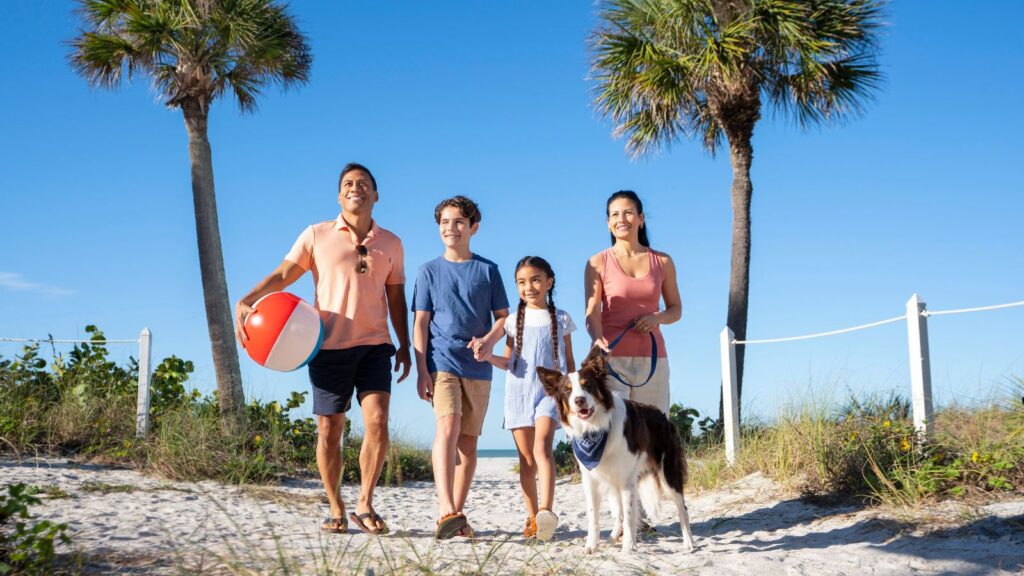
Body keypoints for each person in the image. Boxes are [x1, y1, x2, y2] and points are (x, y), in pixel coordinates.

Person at [234, 163, 410, 535]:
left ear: (375, 195)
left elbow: (396, 297)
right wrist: (248, 298)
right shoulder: (316, 234)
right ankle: (335, 505)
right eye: (347, 183)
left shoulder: (392, 243)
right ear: (338, 195)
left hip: (375, 345)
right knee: (330, 431)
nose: (355, 188)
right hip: (327, 346)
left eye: (363, 183)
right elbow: (285, 274)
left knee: (377, 421)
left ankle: (365, 501)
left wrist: (405, 343)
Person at [411, 195, 509, 539]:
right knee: (447, 428)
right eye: (444, 223)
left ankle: (456, 515)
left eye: (458, 222)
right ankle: (445, 509)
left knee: (468, 445)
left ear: (473, 228)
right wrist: (422, 369)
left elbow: (503, 319)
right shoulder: (427, 272)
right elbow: (420, 324)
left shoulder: (488, 270)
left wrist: (489, 341)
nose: (450, 228)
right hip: (442, 362)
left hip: (479, 368)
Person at [487, 256, 575, 541]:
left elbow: (570, 364)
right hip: (518, 392)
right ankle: (532, 516)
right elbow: (508, 362)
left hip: (551, 392)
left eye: (536, 280)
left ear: (549, 282)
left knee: (543, 447)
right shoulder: (513, 321)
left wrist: (574, 397)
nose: (529, 287)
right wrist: (487, 356)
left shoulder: (561, 318)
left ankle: (546, 512)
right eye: (522, 282)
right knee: (526, 460)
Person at [583, 190, 681, 414]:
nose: (621, 219)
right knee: (616, 435)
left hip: (653, 360)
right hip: (611, 360)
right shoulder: (597, 262)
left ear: (641, 219)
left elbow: (676, 309)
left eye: (628, 213)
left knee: (654, 434)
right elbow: (592, 311)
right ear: (608, 223)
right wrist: (597, 340)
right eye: (615, 215)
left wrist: (658, 317)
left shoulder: (663, 261)